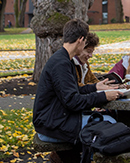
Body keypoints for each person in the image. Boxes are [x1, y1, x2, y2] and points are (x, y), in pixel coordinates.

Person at [33, 19, 123, 162]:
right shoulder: (61, 64)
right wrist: (104, 96)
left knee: (108, 123)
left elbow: (73, 91)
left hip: (56, 119)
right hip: (51, 125)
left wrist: (95, 87)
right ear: (80, 40)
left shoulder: (64, 59)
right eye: (86, 40)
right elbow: (73, 101)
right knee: (111, 125)